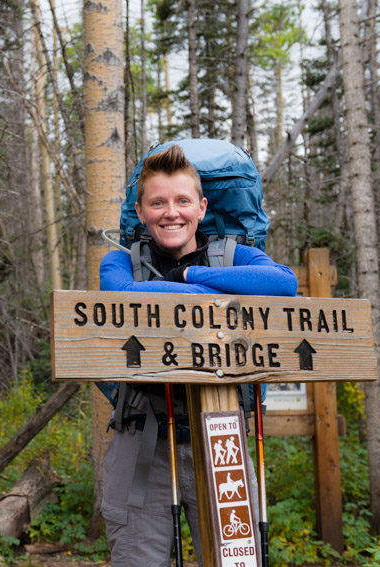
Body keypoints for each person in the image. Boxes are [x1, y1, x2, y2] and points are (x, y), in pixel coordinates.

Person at [98, 144, 297, 567]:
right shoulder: (120, 261)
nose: (171, 213)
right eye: (158, 202)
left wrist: (190, 275)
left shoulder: (233, 255)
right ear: (142, 210)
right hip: (142, 443)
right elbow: (122, 294)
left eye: (182, 201)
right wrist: (219, 295)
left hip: (221, 438)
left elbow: (283, 284)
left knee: (236, 561)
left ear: (202, 207)